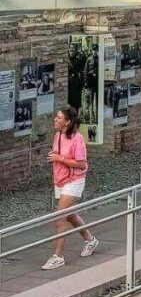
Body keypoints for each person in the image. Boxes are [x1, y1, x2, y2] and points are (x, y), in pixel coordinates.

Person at [42, 107, 98, 270]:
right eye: (56, 117)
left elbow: (81, 164)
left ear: (67, 122)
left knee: (60, 218)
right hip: (60, 179)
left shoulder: (77, 139)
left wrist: (59, 158)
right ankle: (90, 240)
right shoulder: (57, 136)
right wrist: (55, 158)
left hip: (74, 181)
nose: (55, 119)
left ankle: (58, 257)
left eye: (59, 118)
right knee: (70, 214)